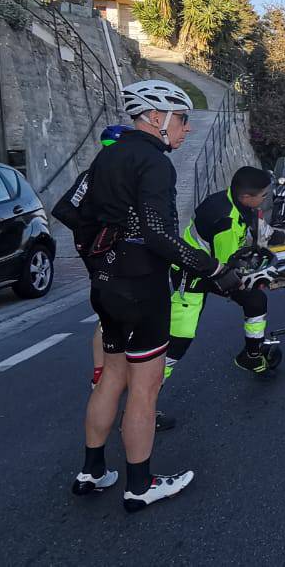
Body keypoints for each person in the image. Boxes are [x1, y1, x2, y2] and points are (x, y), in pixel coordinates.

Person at [71, 80, 245, 513]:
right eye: (182, 120)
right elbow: (158, 233)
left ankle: (92, 471)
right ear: (156, 117)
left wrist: (99, 263)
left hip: (107, 285)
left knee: (110, 376)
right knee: (145, 391)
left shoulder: (105, 156)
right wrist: (212, 268)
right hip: (142, 287)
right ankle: (140, 484)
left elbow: (69, 212)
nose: (186, 130)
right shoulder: (154, 162)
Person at [55, 125, 182, 431]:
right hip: (128, 271)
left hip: (107, 267)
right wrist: (105, 233)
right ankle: (132, 409)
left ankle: (108, 388)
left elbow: (65, 209)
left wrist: (96, 239)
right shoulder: (105, 173)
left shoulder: (104, 170)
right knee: (138, 370)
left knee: (113, 341)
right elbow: (65, 210)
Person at [167, 166, 285, 381]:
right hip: (191, 274)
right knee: (180, 338)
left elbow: (266, 235)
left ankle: (252, 356)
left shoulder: (236, 202)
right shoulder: (226, 222)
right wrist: (263, 276)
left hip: (215, 266)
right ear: (247, 197)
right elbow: (227, 273)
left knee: (256, 300)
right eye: (263, 196)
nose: (266, 199)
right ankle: (148, 393)